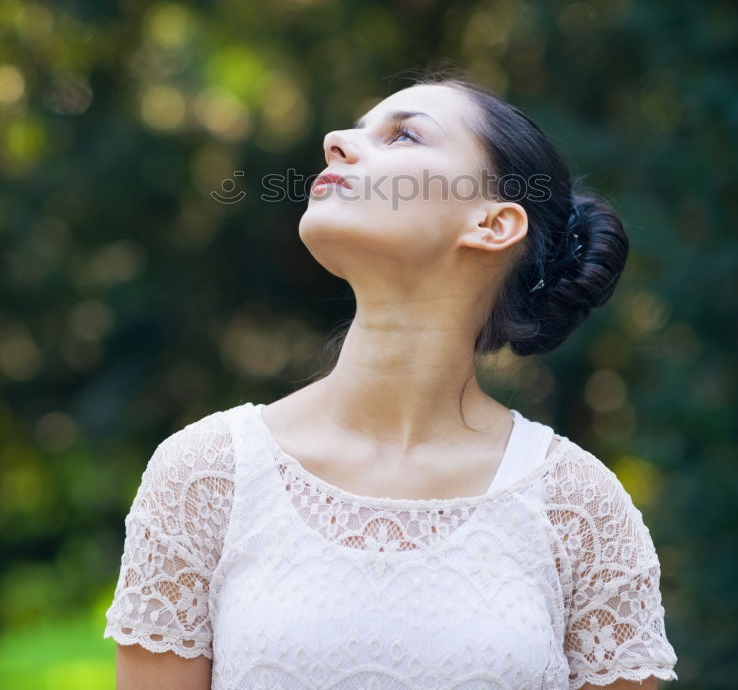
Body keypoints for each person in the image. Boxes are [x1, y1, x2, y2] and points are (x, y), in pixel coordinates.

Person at [104, 69, 678, 689]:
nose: (335, 141)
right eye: (355, 129)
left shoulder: (580, 507)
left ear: (492, 224)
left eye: (404, 135)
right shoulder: (205, 475)